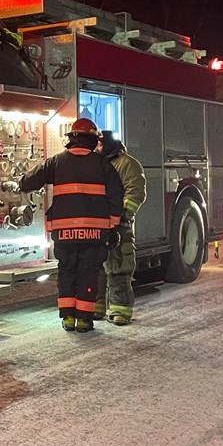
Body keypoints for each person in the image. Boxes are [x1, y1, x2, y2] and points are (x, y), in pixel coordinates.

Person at [19, 118, 124, 332]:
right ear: (93, 140)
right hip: (94, 234)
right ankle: (84, 320)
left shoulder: (56, 162)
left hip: (64, 233)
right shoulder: (103, 165)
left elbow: (28, 182)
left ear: (72, 139)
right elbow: (116, 195)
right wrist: (113, 227)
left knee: (66, 272)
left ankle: (67, 318)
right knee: (88, 273)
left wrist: (23, 180)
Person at [94, 130, 146, 325]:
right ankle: (96, 309)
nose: (96, 147)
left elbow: (135, 192)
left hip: (118, 226)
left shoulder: (127, 164)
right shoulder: (94, 163)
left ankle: (120, 311)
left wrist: (122, 216)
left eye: (99, 144)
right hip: (96, 225)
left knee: (119, 266)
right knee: (96, 267)